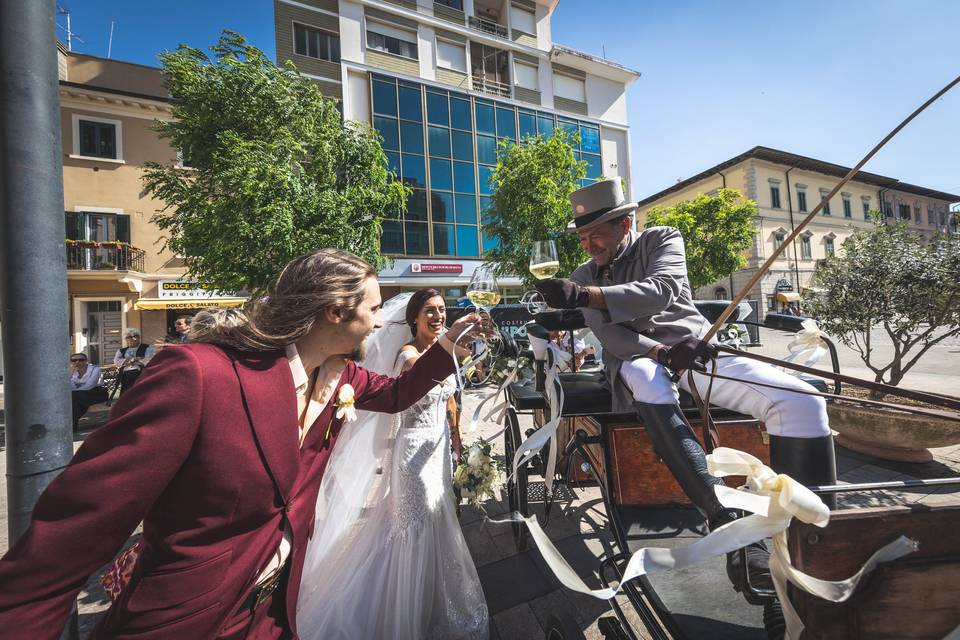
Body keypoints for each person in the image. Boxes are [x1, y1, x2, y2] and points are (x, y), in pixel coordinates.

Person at [0, 248, 486, 639]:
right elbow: (65, 540)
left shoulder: (345, 375)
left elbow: (400, 393)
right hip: (188, 618)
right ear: (336, 312)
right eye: (375, 309)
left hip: (279, 612)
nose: (382, 323)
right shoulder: (200, 375)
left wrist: (448, 347)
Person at [535, 179, 836, 597]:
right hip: (641, 362)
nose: (589, 244)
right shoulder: (583, 273)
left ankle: (816, 540)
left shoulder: (661, 239)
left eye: (596, 234)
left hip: (695, 353)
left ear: (625, 223)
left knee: (802, 400)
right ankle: (724, 516)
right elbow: (613, 338)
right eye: (583, 236)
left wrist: (588, 296)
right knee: (644, 375)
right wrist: (658, 351)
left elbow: (661, 292)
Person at [297, 288, 488, 640]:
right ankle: (405, 613)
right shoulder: (409, 355)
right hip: (412, 455)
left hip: (438, 448)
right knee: (412, 529)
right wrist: (454, 343)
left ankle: (434, 599)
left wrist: (457, 440)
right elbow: (416, 382)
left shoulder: (438, 352)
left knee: (437, 520)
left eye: (442, 310)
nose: (437, 315)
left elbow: (450, 402)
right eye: (429, 310)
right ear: (413, 317)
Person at [69, 352, 107, 431]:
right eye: (74, 360)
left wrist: (75, 392)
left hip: (96, 393)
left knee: (73, 397)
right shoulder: (70, 371)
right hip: (79, 396)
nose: (77, 362)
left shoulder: (95, 369)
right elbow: (70, 387)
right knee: (74, 399)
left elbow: (90, 385)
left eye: (81, 360)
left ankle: (70, 424)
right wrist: (69, 374)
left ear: (86, 361)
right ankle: (72, 424)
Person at [112, 328, 155, 395]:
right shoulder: (121, 351)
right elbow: (116, 361)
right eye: (129, 337)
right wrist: (134, 359)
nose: (132, 339)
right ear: (125, 339)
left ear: (139, 337)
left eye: (135, 336)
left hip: (141, 373)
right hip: (126, 374)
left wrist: (130, 361)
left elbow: (149, 360)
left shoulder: (147, 348)